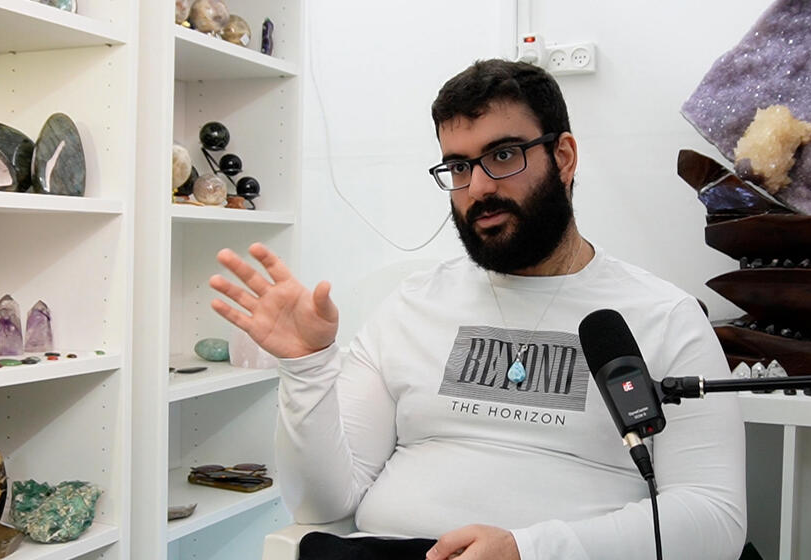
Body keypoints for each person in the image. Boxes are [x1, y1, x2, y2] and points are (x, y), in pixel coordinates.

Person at [210, 59, 747, 560]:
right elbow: (322, 507)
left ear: (563, 157)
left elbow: (715, 519)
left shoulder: (663, 316)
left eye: (504, 155)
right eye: (459, 166)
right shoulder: (412, 306)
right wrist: (307, 366)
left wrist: (528, 549)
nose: (479, 187)